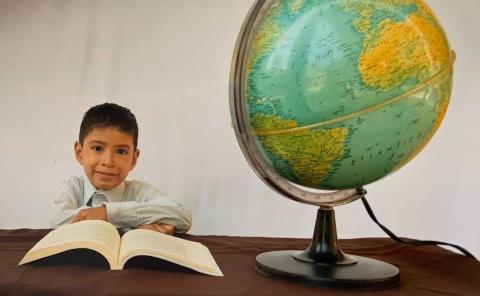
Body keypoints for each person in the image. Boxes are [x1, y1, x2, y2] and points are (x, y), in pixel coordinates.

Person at [51, 103, 191, 234]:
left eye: (121, 151)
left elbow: (182, 215)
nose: (108, 162)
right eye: (98, 148)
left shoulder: (140, 191)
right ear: (79, 153)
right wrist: (134, 223)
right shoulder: (73, 186)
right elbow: (57, 220)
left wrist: (107, 213)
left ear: (133, 159)